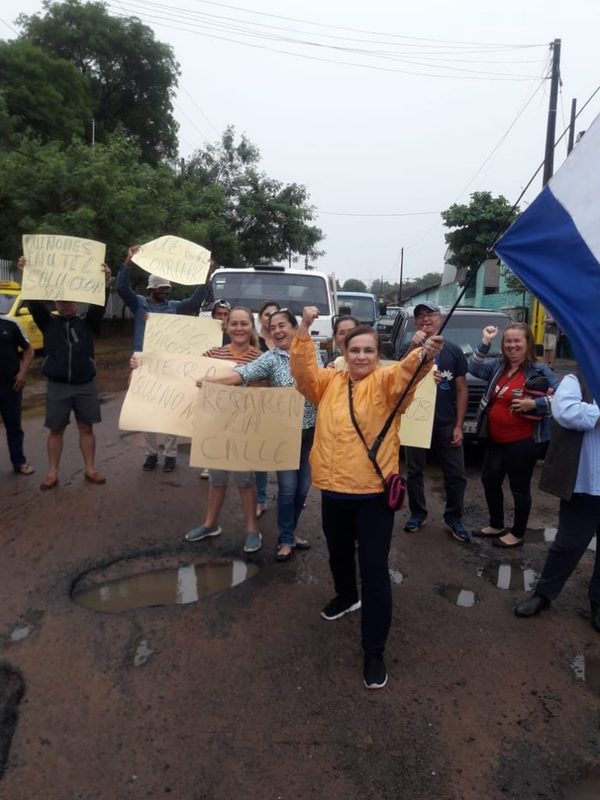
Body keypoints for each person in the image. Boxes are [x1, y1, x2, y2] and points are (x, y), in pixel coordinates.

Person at [290, 306, 443, 689]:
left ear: (377, 355)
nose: (360, 356)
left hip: (374, 495)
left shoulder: (388, 382)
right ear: (343, 349)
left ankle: (373, 651)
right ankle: (345, 596)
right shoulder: (328, 382)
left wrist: (424, 355)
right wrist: (305, 329)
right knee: (339, 553)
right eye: (354, 349)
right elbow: (304, 373)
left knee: (374, 571)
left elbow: (406, 374)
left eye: (368, 351)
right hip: (334, 491)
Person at [198, 309, 320, 562]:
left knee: (302, 490)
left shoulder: (312, 352)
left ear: (295, 328)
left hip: (312, 434)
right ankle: (285, 539)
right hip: (284, 434)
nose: (277, 331)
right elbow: (240, 374)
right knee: (288, 489)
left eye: (282, 325)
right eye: (272, 327)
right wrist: (211, 382)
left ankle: (291, 532)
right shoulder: (269, 359)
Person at [514, 373, 600, 626]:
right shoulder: (577, 379)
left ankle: (598, 603)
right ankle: (544, 594)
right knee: (567, 544)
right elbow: (566, 412)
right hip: (585, 484)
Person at [19, 257, 111, 490]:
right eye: (62, 300)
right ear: (56, 303)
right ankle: (52, 473)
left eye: (71, 300)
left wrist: (105, 281)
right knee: (56, 429)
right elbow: (33, 303)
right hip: (58, 385)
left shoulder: (87, 323)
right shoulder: (48, 323)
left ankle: (90, 469)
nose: (67, 304)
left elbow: (99, 305)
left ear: (77, 303)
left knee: (86, 428)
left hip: (85, 385)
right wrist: (26, 272)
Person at [117, 245, 207, 473]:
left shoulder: (175, 307)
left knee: (171, 408)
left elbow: (196, 300)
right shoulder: (139, 304)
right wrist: (128, 262)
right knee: (147, 410)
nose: (167, 292)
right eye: (162, 289)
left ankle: (170, 454)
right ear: (151, 289)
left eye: (168, 288)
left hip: (171, 364)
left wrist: (204, 275)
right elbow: (121, 287)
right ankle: (151, 453)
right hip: (144, 363)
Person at [468, 323, 559, 548]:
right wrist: (485, 341)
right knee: (490, 480)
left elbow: (562, 399)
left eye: (517, 340)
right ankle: (497, 524)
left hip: (524, 441)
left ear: (527, 343)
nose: (512, 345)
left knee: (519, 487)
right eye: (508, 341)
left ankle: (517, 533)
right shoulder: (498, 366)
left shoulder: (540, 370)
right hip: (496, 439)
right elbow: (474, 367)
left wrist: (534, 404)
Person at [184, 307, 264, 554]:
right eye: (234, 324)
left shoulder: (259, 356)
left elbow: (267, 390)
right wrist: (140, 362)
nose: (239, 328)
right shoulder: (212, 354)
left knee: (244, 481)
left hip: (244, 428)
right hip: (215, 427)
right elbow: (184, 369)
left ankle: (252, 529)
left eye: (244, 323)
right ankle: (210, 524)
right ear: (226, 327)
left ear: (251, 327)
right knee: (216, 480)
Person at [398, 302, 469, 543]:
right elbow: (397, 375)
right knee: (414, 471)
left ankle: (454, 518)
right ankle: (418, 514)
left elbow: (461, 390)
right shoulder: (410, 348)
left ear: (440, 319)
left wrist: (459, 425)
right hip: (415, 421)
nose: (425, 319)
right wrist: (413, 345)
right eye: (420, 316)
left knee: (456, 473)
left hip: (445, 422)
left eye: (430, 315)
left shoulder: (453, 351)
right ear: (415, 323)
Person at [0, 312, 34, 475]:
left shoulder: (11, 323)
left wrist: (22, 373)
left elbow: (28, 349)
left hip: (10, 385)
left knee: (13, 425)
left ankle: (19, 462)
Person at [255, 301, 280, 516]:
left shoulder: (286, 341)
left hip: (284, 408)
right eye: (266, 314)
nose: (270, 317)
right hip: (258, 406)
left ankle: (287, 497)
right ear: (260, 317)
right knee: (260, 455)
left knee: (284, 453)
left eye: (274, 314)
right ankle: (260, 499)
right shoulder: (254, 341)